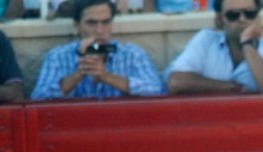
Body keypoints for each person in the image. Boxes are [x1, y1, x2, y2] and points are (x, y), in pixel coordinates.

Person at [30, 0, 164, 100]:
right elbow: (38, 98)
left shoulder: (132, 54)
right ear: (76, 26)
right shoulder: (58, 56)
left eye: (105, 23)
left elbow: (157, 91)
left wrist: (105, 76)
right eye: (91, 23)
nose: (100, 31)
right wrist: (79, 73)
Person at [165, 0, 263, 96]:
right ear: (219, 19)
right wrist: (233, 88)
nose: (242, 19)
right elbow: (176, 82)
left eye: (249, 14)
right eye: (233, 15)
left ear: (258, 18)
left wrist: (247, 45)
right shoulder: (206, 40)